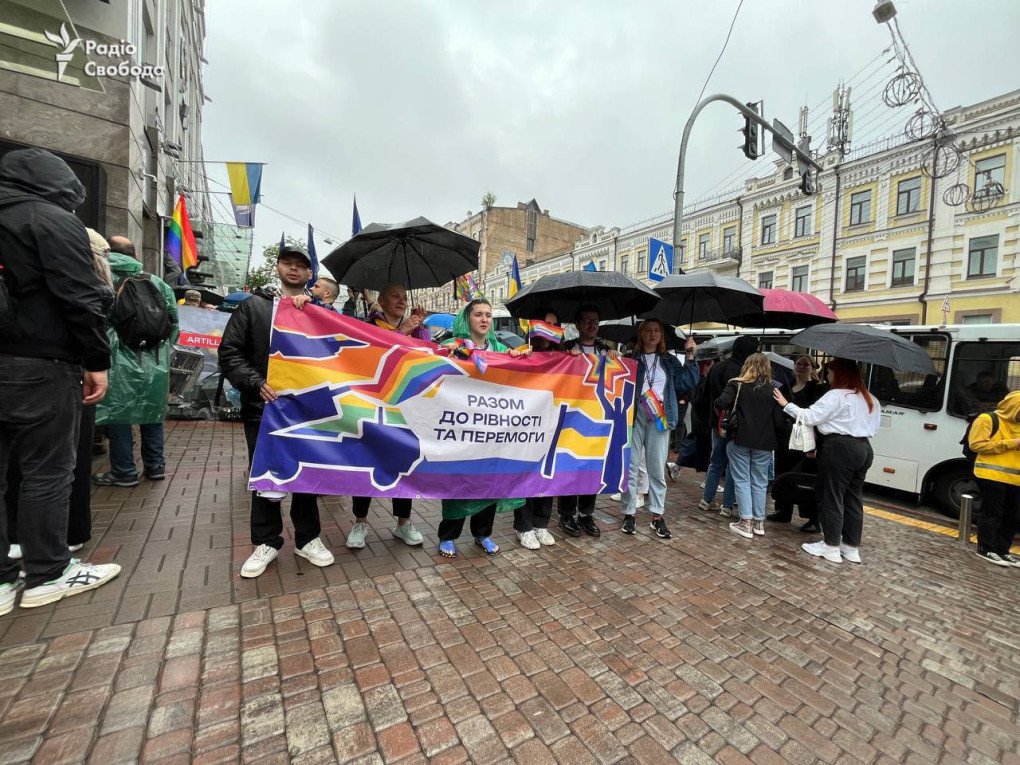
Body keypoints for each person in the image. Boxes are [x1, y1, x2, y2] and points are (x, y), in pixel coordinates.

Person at [0, 147, 121, 613]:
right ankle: (49, 571)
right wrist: (95, 359)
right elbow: (79, 296)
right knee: (47, 470)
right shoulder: (49, 220)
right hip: (42, 365)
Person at [220, 244, 335, 578]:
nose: (294, 269)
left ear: (310, 274)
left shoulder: (320, 312)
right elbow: (230, 353)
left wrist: (314, 309)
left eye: (301, 265)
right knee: (265, 475)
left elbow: (342, 351)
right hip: (263, 408)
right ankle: (266, 541)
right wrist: (255, 383)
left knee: (306, 476)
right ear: (278, 267)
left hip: (307, 411)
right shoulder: (254, 307)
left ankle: (308, 538)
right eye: (288, 263)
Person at [5, 228, 115, 562]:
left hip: (43, 373)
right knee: (58, 465)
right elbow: (89, 314)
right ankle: (60, 545)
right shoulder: (83, 277)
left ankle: (23, 551)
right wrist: (96, 362)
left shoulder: (25, 268)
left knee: (26, 466)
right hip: (64, 375)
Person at [436, 298, 528, 557]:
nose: (485, 319)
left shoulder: (500, 349)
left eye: (488, 314)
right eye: (478, 314)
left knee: (489, 482)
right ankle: (448, 536)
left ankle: (483, 534)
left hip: (491, 430)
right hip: (461, 428)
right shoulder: (451, 346)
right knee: (459, 482)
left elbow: (517, 375)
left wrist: (519, 360)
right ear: (468, 318)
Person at [774, 358, 881, 564]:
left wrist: (786, 405)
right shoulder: (870, 398)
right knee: (853, 498)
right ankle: (850, 547)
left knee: (831, 496)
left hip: (840, 448)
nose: (828, 377)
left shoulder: (836, 396)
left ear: (840, 375)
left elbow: (810, 417)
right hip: (864, 448)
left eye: (831, 373)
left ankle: (831, 545)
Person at [346, 283, 428, 549]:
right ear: (380, 300)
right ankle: (360, 522)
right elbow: (364, 358)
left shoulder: (415, 326)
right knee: (366, 461)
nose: (402, 301)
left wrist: (419, 329)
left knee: (403, 462)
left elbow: (429, 359)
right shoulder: (368, 325)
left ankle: (403, 523)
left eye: (405, 297)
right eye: (395, 296)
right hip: (371, 405)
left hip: (403, 408)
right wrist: (400, 333)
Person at [92, 238, 178, 488]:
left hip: (117, 359)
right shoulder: (157, 283)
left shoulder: (104, 278)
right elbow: (174, 323)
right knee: (152, 413)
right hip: (155, 360)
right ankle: (156, 466)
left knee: (119, 415)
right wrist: (159, 350)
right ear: (135, 254)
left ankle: (124, 471)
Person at [619, 320, 699, 539]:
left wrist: (690, 356)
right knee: (632, 466)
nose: (652, 334)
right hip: (634, 417)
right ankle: (629, 513)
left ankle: (657, 516)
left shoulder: (670, 361)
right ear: (641, 333)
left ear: (661, 336)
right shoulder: (631, 359)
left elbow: (687, 382)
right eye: (647, 330)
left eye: (656, 331)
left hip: (660, 417)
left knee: (656, 468)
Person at [558, 304, 619, 538]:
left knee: (592, 466)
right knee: (569, 465)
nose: (592, 325)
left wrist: (616, 360)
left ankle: (586, 514)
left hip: (597, 416)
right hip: (570, 417)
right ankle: (566, 514)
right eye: (587, 321)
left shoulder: (607, 351)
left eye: (596, 321)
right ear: (577, 324)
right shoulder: (565, 349)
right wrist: (566, 359)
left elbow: (618, 378)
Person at [715, 353, 787, 539]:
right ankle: (759, 523)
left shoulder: (736, 384)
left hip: (739, 438)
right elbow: (779, 422)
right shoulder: (774, 388)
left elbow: (721, 402)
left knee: (742, 479)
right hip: (764, 442)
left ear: (746, 365)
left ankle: (746, 522)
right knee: (760, 481)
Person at [514, 310, 562, 550]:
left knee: (547, 473)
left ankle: (541, 524)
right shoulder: (524, 350)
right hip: (525, 426)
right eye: (546, 324)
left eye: (554, 325)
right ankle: (523, 528)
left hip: (551, 424)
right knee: (525, 475)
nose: (550, 329)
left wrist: (574, 357)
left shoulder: (563, 356)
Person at [697, 336, 758, 517]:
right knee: (733, 465)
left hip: (716, 422)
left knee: (715, 462)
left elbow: (704, 394)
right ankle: (727, 505)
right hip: (736, 425)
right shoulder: (746, 372)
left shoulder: (717, 367)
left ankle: (706, 499)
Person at [769, 355, 827, 531]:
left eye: (806, 364)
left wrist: (815, 445)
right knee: (783, 474)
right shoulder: (786, 387)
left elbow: (816, 417)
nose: (801, 367)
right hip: (785, 440)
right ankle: (783, 510)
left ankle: (813, 519)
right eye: (798, 364)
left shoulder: (818, 389)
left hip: (805, 442)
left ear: (813, 368)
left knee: (806, 478)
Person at [968, 391, 1020, 567]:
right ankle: (986, 547)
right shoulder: (987, 419)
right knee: (992, 514)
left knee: (1012, 516)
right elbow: (976, 444)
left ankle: (1003, 550)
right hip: (991, 475)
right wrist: (1012, 443)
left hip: (1016, 479)